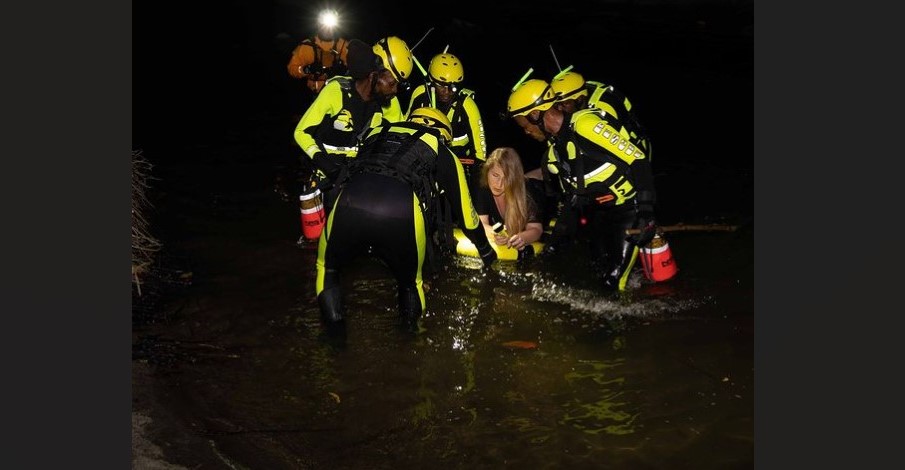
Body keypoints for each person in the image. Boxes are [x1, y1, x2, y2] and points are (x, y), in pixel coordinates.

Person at [314, 107, 497, 333]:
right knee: (410, 284)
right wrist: (488, 253)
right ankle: (410, 347)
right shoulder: (442, 150)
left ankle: (333, 341)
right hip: (402, 209)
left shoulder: (376, 132)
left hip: (351, 199)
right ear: (443, 134)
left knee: (328, 268)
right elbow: (468, 219)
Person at [507, 78, 659, 291]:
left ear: (536, 114)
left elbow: (639, 159)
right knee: (592, 272)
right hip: (599, 214)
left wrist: (646, 212)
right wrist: (554, 243)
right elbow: (572, 198)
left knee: (613, 282)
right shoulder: (553, 153)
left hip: (628, 211)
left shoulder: (586, 125)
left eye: (524, 124)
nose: (525, 131)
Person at [293, 36, 413, 212]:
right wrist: (329, 167)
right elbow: (301, 132)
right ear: (374, 75)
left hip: (360, 185)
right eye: (392, 83)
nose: (394, 91)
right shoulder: (336, 91)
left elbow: (400, 138)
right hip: (326, 182)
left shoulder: (389, 103)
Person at [405, 52, 487, 184]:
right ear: (431, 82)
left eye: (452, 87)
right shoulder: (420, 94)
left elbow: (480, 148)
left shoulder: (467, 105)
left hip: (457, 160)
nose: (447, 91)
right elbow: (405, 124)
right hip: (422, 155)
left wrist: (478, 175)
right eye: (441, 85)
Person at [550, 68, 652, 158]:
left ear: (580, 99)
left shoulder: (604, 107)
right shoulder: (581, 95)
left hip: (635, 147)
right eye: (556, 105)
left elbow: (616, 145)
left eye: (564, 104)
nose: (559, 109)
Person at [474, 147, 545, 257]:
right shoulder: (483, 188)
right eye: (495, 175)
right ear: (487, 171)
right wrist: (494, 234)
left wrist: (522, 237)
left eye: (506, 178)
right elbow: (481, 224)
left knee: (540, 175)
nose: (499, 184)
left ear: (513, 179)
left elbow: (536, 229)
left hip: (542, 189)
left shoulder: (528, 191)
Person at [286, 9, 350, 95]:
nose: (327, 29)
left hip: (338, 92)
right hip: (313, 92)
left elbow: (356, 67)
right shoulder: (307, 46)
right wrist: (306, 69)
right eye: (323, 25)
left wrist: (345, 70)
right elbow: (292, 68)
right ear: (318, 25)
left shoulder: (343, 45)